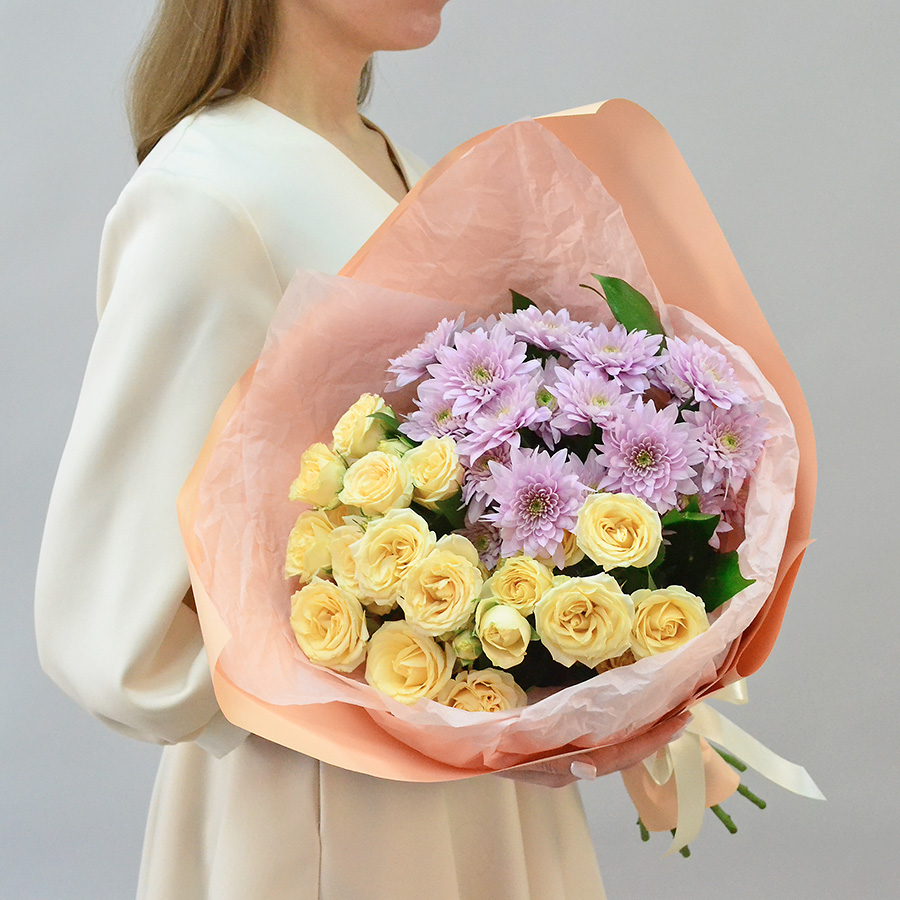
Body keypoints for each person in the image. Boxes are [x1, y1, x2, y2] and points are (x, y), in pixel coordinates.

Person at [35, 1, 608, 897]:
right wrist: (352, 651)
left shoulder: (395, 163)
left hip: (467, 760)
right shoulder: (210, 195)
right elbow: (112, 626)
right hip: (331, 802)